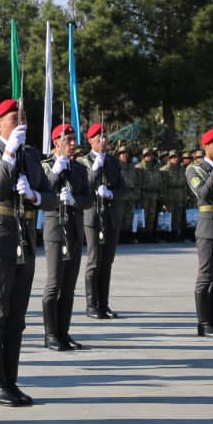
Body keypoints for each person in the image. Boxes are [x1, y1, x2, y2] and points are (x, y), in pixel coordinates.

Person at [0, 98, 54, 406]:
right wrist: (8, 156)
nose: (21, 122)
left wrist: (34, 194)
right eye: (14, 117)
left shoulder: (32, 155)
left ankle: (11, 380)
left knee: (17, 316)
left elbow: (50, 197)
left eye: (23, 117)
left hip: (25, 237)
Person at [40, 123, 91, 351]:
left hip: (74, 228)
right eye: (67, 140)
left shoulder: (79, 169)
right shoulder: (46, 166)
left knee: (69, 286)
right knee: (54, 283)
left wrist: (74, 201)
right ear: (56, 143)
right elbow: (42, 194)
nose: (72, 144)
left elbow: (88, 199)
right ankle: (50, 334)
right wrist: (55, 172)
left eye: (73, 139)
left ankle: (63, 332)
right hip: (54, 228)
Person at [187, 128, 213, 338]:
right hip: (208, 227)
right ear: (206, 147)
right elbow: (203, 194)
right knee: (206, 276)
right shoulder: (195, 169)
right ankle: (204, 323)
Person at [83, 123, 127, 319]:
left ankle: (103, 303)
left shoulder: (113, 161)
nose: (103, 140)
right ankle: (91, 304)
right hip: (93, 216)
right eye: (99, 137)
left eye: (105, 137)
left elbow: (123, 188)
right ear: (90, 140)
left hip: (110, 216)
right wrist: (94, 169)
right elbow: (83, 186)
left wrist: (110, 193)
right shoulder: (83, 161)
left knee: (107, 261)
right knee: (94, 260)